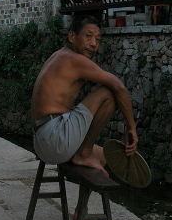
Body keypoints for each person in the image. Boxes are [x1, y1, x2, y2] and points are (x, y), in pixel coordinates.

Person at [31, 15, 137, 176]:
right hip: (54, 139)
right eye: (88, 36)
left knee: (102, 157)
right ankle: (84, 153)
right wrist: (131, 128)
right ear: (72, 36)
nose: (94, 44)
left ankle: (84, 199)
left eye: (97, 39)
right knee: (108, 92)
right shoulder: (74, 59)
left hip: (42, 141)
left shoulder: (59, 55)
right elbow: (119, 87)